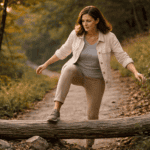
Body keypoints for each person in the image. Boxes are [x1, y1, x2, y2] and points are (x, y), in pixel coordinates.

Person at [36, 6, 146, 149]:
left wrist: (135, 71)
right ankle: (56, 110)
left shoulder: (109, 37)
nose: (85, 24)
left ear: (97, 20)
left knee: (92, 116)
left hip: (96, 80)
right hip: (78, 73)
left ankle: (89, 145)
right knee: (68, 68)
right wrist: (46, 64)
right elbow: (63, 51)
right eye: (83, 21)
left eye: (88, 21)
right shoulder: (76, 35)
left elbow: (122, 56)